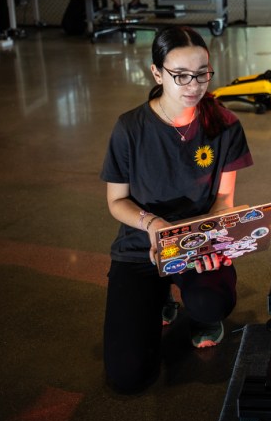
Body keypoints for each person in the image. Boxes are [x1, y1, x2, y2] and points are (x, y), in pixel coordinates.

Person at [100, 26, 253, 394]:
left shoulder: (225, 125)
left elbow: (223, 201)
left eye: (202, 74)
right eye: (180, 75)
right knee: (128, 375)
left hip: (197, 239)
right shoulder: (130, 128)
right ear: (156, 73)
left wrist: (206, 239)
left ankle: (201, 315)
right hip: (142, 246)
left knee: (212, 301)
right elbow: (116, 201)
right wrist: (154, 226)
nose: (194, 85)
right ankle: (161, 296)